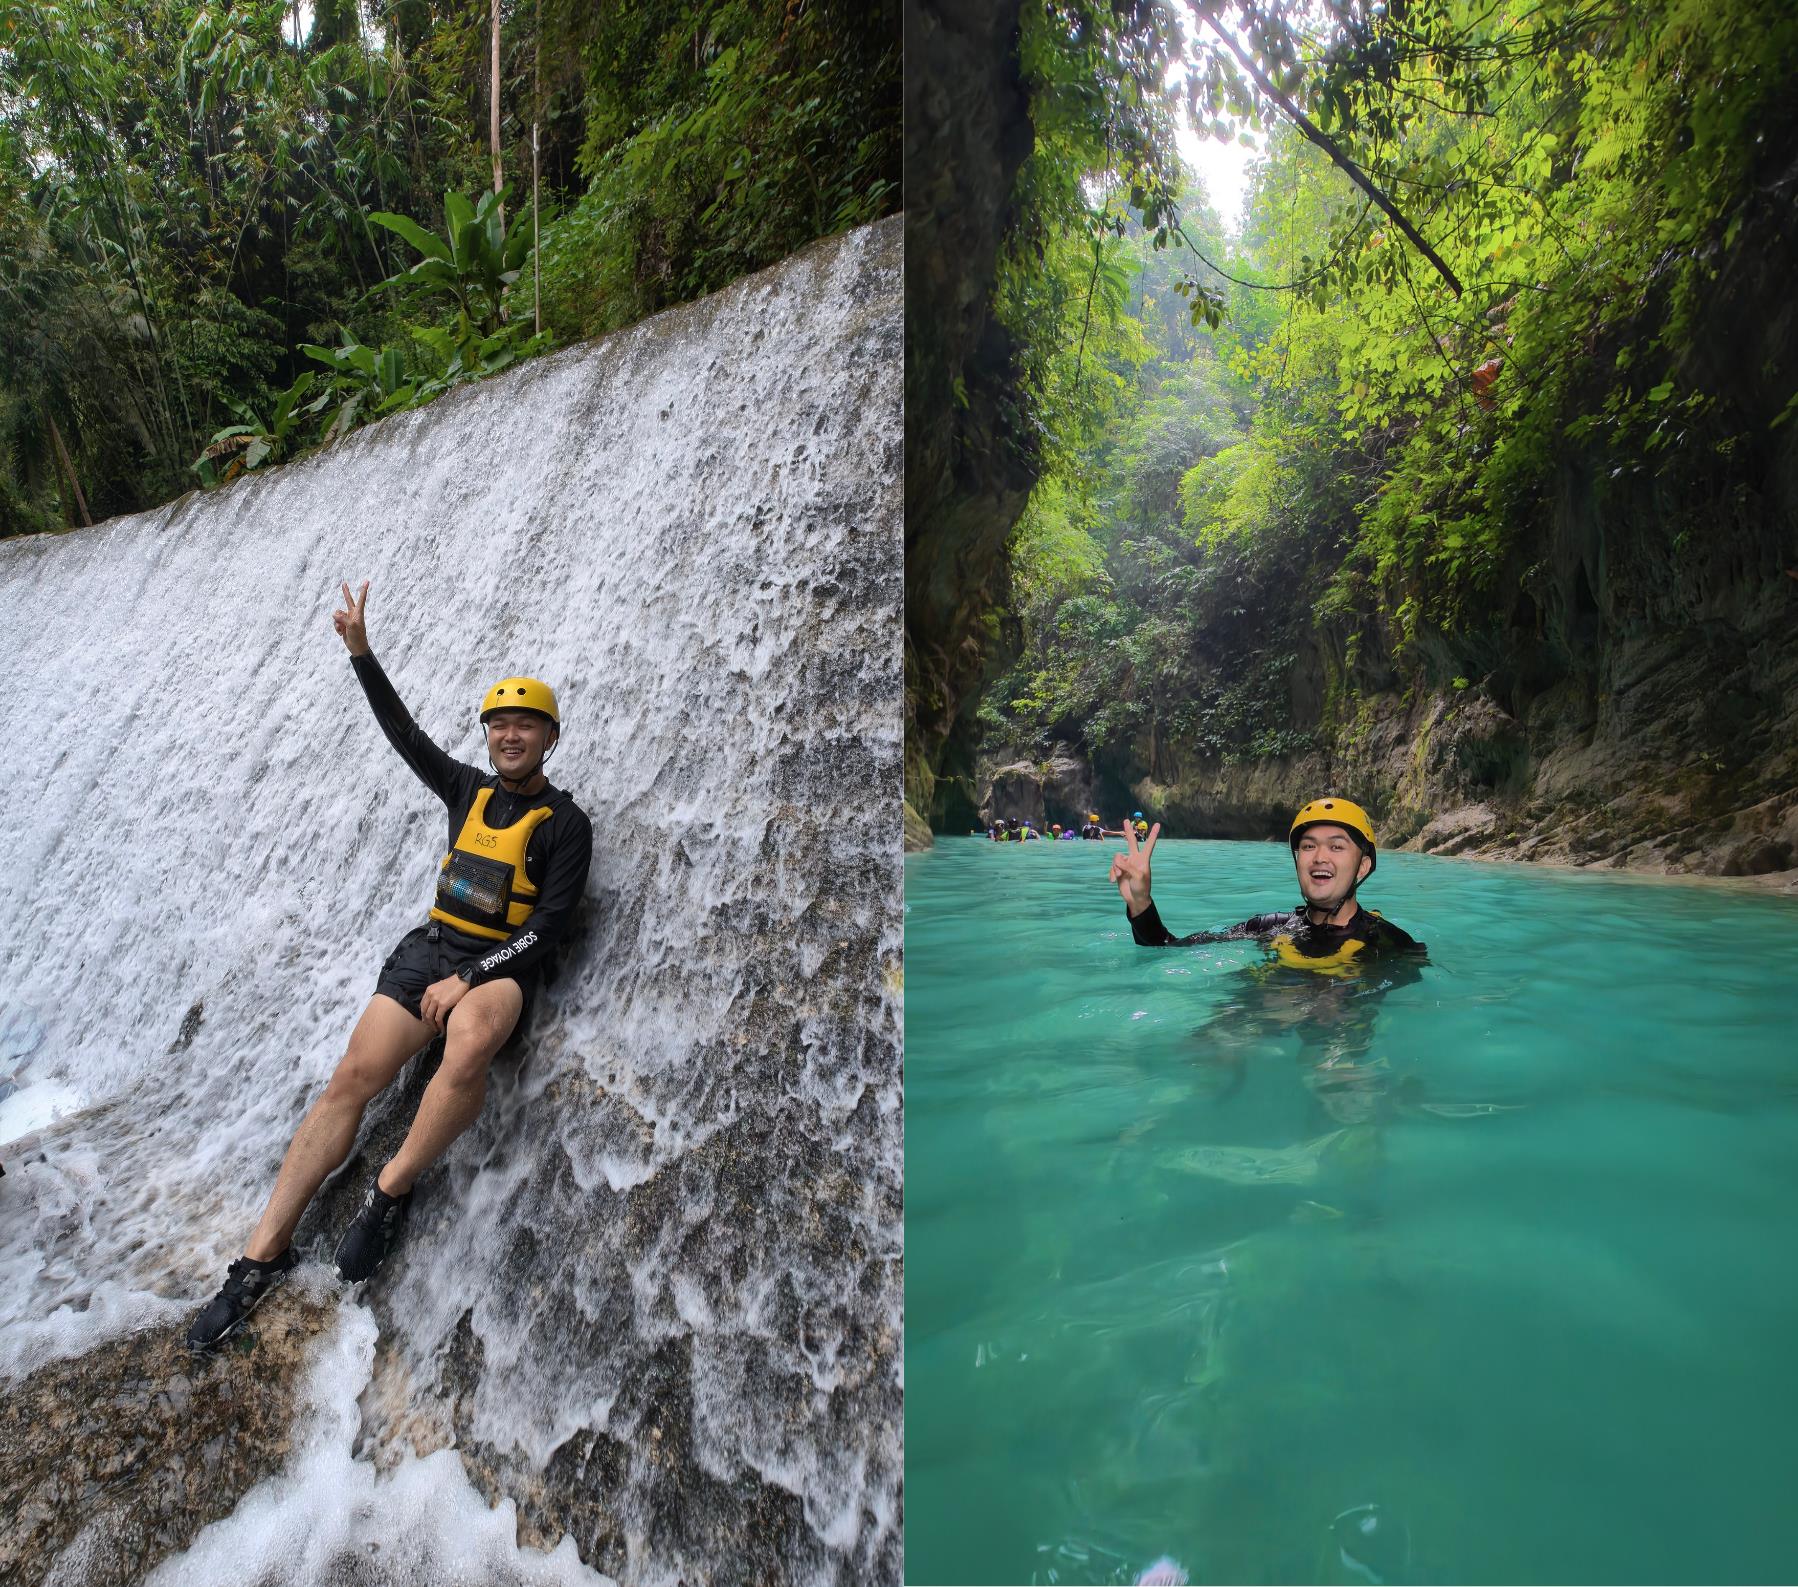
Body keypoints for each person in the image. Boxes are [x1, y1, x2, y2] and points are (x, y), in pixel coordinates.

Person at [185, 581, 594, 1350]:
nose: (511, 733)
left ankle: (391, 1186)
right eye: (500, 722)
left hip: (499, 969)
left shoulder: (567, 824)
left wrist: (471, 978)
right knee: (351, 1078)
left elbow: (548, 928)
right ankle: (260, 1253)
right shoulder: (466, 788)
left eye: (526, 723)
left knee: (469, 1038)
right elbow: (402, 732)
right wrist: (360, 652)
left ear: (549, 736)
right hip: (431, 950)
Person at [1109, 796, 1424, 969]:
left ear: (1362, 866)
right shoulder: (1268, 927)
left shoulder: (1392, 944)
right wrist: (1140, 902)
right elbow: (1166, 947)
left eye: (1337, 846)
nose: (1319, 857)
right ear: (1297, 860)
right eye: (1308, 846)